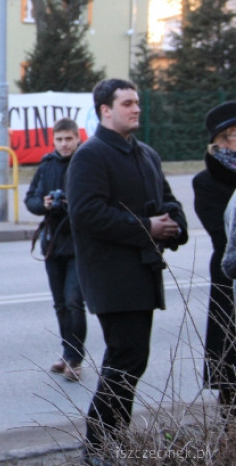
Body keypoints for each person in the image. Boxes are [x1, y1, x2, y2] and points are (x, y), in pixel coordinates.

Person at [66, 78, 187, 464]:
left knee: (131, 360)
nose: (137, 109)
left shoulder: (145, 153)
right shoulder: (92, 154)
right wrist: (147, 227)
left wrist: (174, 225)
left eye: (137, 102)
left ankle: (112, 441)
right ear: (105, 110)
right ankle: (99, 445)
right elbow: (86, 213)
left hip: (143, 273)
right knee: (124, 359)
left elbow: (167, 201)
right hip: (112, 277)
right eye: (128, 103)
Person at [24, 117, 87, 382]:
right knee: (60, 303)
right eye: (59, 139)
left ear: (77, 139)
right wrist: (46, 203)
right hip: (52, 243)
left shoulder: (86, 163)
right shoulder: (47, 164)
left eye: (68, 139)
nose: (64, 144)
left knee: (74, 302)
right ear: (54, 140)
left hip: (79, 244)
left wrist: (73, 203)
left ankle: (76, 358)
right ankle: (67, 352)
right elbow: (31, 200)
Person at [193, 101, 236, 407]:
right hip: (229, 275)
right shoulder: (206, 182)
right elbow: (222, 235)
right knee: (231, 366)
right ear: (221, 140)